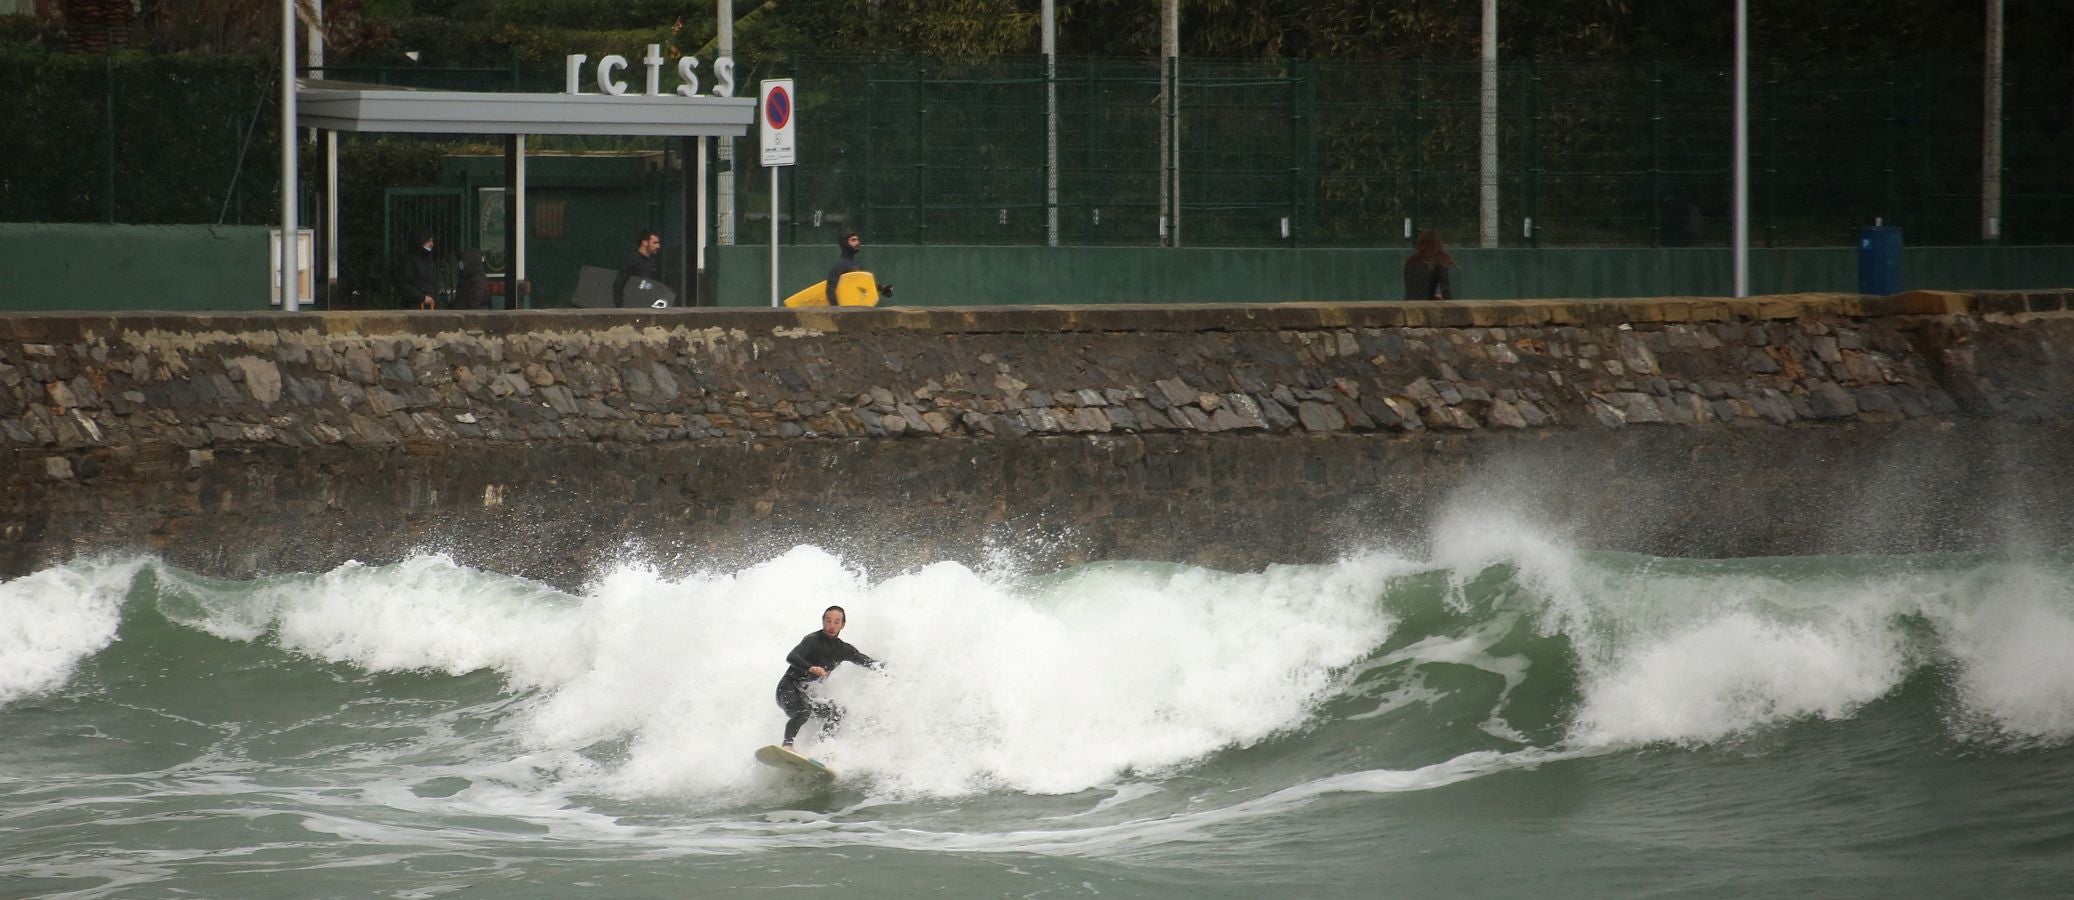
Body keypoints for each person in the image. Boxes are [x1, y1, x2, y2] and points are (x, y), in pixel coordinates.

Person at [774, 605, 881, 749]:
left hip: (805, 694)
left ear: (843, 625)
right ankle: (787, 745)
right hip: (787, 688)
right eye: (828, 621)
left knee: (837, 713)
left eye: (836, 622)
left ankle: (821, 748)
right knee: (803, 711)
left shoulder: (843, 649)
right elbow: (792, 657)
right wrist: (810, 667)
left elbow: (865, 661)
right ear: (823, 621)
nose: (831, 625)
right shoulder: (812, 640)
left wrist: (885, 668)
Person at [825, 231, 893, 306]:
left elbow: (863, 284)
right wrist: (838, 311)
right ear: (845, 243)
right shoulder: (839, 265)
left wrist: (882, 288)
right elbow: (830, 291)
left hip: (859, 306)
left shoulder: (857, 262)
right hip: (846, 309)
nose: (857, 242)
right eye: (853, 240)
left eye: (857, 240)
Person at [612, 230, 662, 308]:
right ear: (645, 242)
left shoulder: (652, 262)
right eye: (655, 243)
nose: (658, 246)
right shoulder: (632, 261)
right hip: (633, 307)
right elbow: (619, 285)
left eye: (658, 243)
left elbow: (654, 286)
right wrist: (620, 308)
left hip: (649, 306)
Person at [1402, 230, 1455, 301]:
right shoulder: (1438, 260)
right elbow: (1445, 290)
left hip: (1408, 304)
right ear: (1438, 244)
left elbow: (1414, 292)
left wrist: (1433, 296)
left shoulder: (1411, 261)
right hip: (1424, 305)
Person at [397, 230, 439, 310]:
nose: (431, 244)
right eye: (428, 241)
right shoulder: (408, 260)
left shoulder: (429, 259)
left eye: (432, 241)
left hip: (431, 305)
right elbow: (404, 284)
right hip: (415, 306)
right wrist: (422, 298)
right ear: (420, 241)